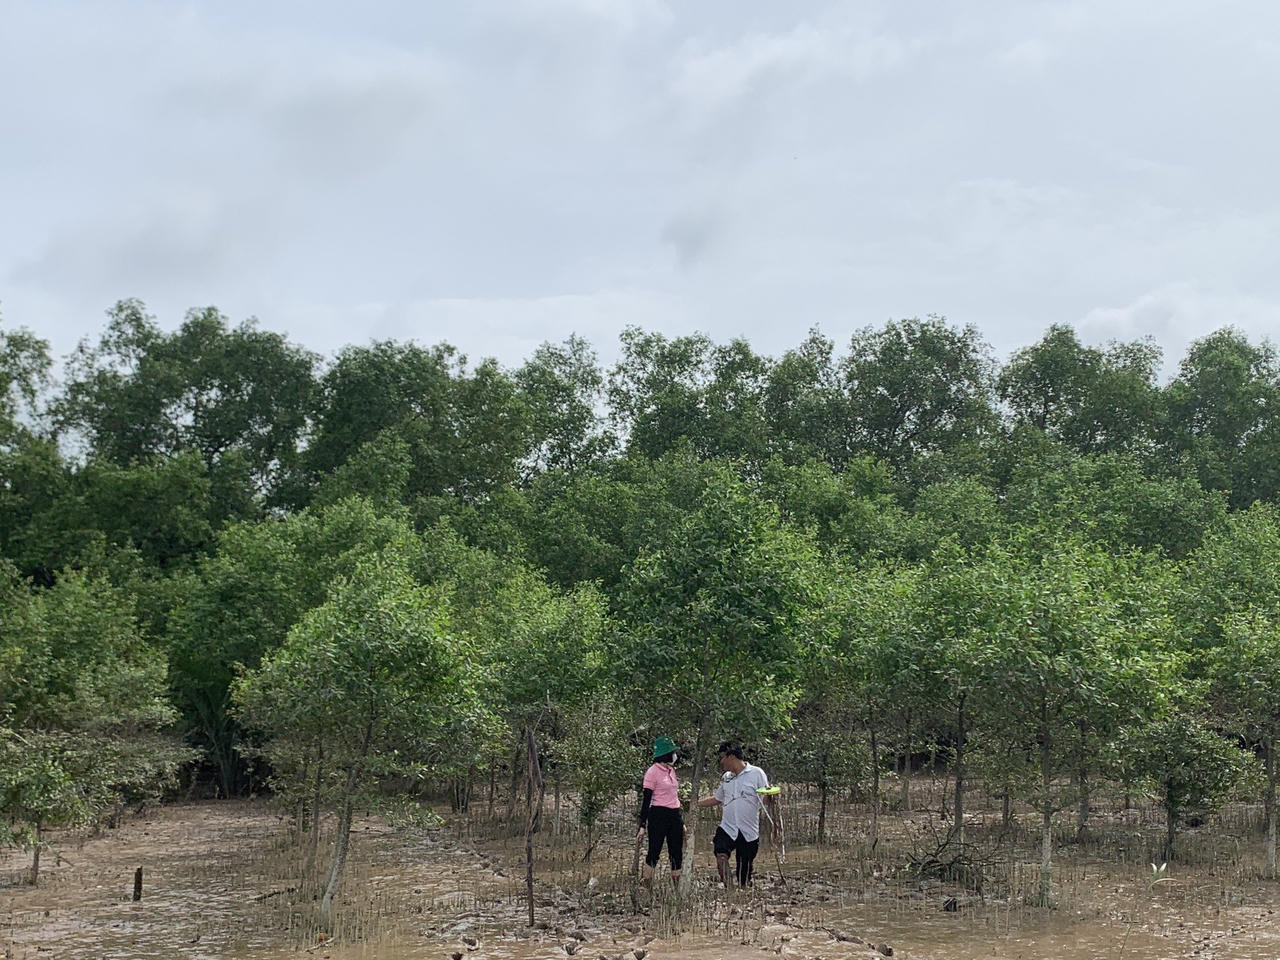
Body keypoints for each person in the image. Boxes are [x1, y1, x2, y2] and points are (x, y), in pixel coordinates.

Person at [697, 741, 780, 888]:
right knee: (720, 852)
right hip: (728, 826)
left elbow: (765, 799)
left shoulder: (756, 773)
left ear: (732, 757)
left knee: (744, 874)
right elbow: (718, 798)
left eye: (723, 757)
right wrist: (695, 804)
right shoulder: (726, 777)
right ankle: (729, 889)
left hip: (748, 831)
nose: (721, 761)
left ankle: (743, 890)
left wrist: (772, 795)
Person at [636, 735, 684, 887]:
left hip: (674, 814)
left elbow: (674, 796)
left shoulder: (671, 771)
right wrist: (642, 825)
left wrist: (680, 820)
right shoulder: (652, 772)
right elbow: (646, 800)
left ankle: (677, 886)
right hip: (658, 814)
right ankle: (646, 884)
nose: (675, 755)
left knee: (676, 852)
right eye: (672, 752)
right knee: (654, 851)